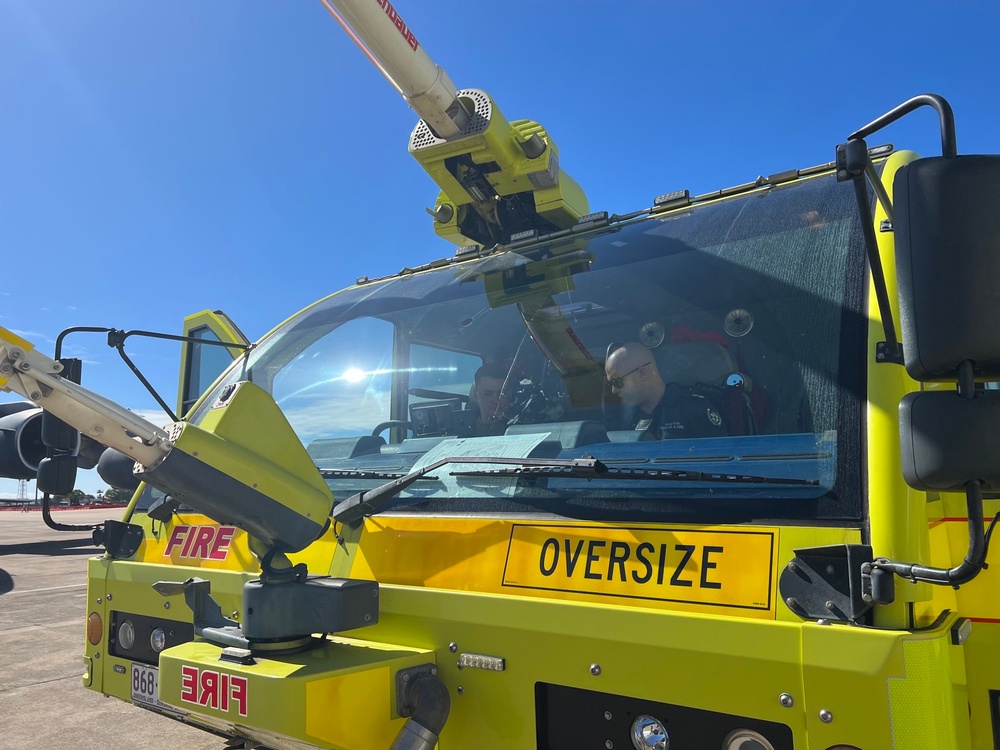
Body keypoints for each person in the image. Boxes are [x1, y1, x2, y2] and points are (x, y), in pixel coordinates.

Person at [604, 341, 727, 439]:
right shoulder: (621, 422)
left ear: (643, 373)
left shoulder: (696, 410)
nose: (614, 390)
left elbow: (716, 464)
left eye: (617, 382)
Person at [471, 362, 513, 436]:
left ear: (510, 394)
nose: (495, 399)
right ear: (475, 395)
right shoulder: (465, 431)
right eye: (487, 394)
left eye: (501, 393)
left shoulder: (521, 430)